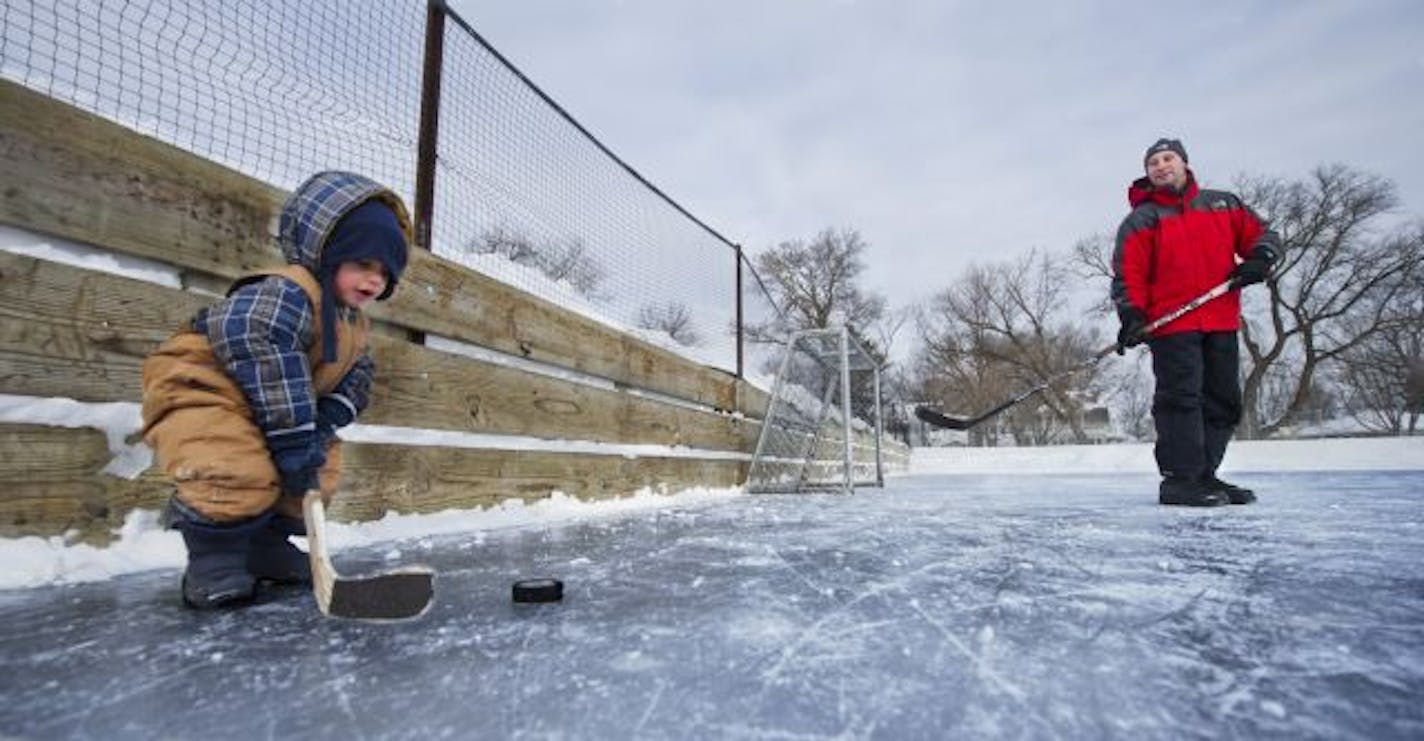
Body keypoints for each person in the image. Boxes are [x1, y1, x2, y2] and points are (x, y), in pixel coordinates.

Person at [142, 171, 411, 608]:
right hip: (208, 388)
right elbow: (256, 343)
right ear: (328, 253)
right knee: (229, 463)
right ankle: (215, 561)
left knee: (317, 465)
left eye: (385, 272)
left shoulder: (352, 322)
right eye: (363, 264)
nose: (374, 280)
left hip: (274, 404)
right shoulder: (287, 291)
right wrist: (292, 432)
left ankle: (264, 548)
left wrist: (323, 422)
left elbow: (356, 376)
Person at [1111, 138, 1281, 507]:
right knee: (1181, 400)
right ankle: (1180, 480)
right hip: (1171, 326)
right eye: (1152, 162)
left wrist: (1260, 257)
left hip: (1220, 319)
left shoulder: (1222, 204)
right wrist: (1132, 315)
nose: (1160, 166)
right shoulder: (1142, 220)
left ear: (1185, 163)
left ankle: (1206, 475)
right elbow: (1128, 274)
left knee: (1222, 400)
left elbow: (1264, 234)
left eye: (1167, 158)